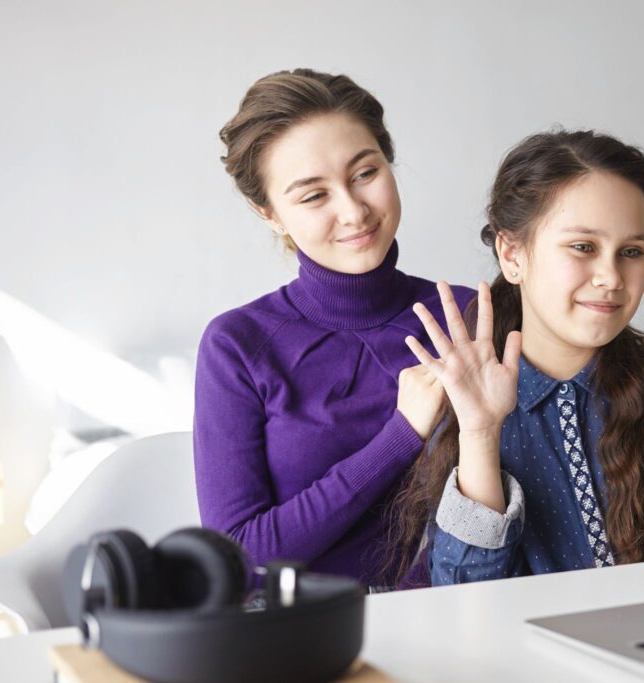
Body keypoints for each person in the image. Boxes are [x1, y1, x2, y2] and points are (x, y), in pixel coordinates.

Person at [390, 129, 644, 586]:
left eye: (631, 252)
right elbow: (463, 596)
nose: (611, 277)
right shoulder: (464, 399)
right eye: (583, 247)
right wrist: (481, 433)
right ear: (512, 254)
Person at [194, 68, 475, 588]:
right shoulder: (238, 345)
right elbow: (238, 557)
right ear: (270, 213)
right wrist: (401, 436)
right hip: (301, 636)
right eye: (313, 195)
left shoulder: (468, 317)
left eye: (365, 173)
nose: (353, 211)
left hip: (457, 614)